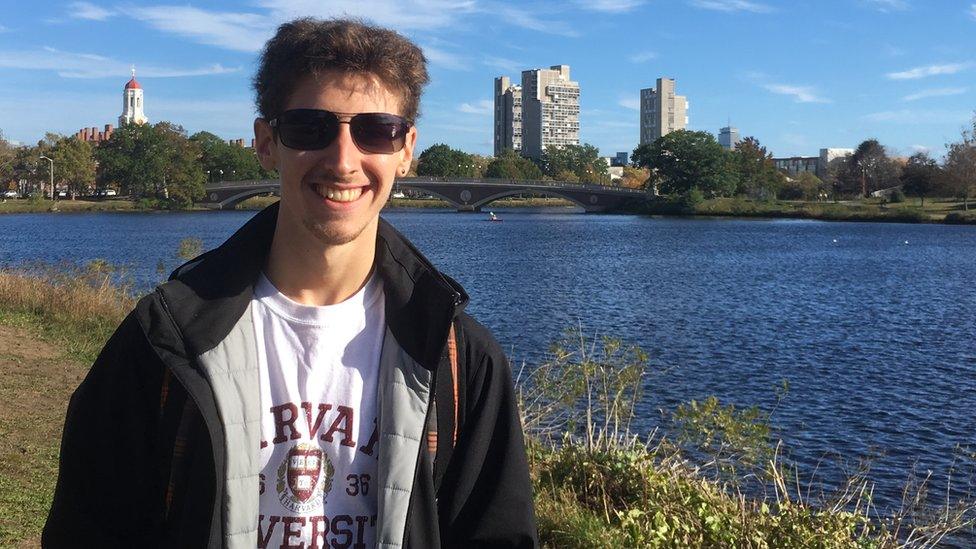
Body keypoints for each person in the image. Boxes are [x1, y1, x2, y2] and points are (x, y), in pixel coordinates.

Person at [43, 18, 537, 548]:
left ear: (406, 149)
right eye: (309, 127)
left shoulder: (459, 357)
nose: (344, 160)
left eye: (376, 130)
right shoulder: (164, 343)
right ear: (266, 143)